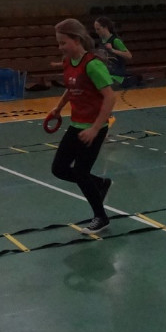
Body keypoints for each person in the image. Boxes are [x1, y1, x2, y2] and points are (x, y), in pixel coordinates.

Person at [47, 18, 116, 233]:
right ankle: (100, 184)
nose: (60, 47)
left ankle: (101, 217)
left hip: (94, 128)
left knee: (80, 171)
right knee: (59, 169)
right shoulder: (68, 62)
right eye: (59, 43)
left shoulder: (93, 65)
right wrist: (58, 108)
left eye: (63, 42)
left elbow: (110, 97)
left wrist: (95, 128)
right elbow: (70, 88)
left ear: (76, 40)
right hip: (76, 125)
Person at [93, 17, 140, 88]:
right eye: (96, 29)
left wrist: (113, 50)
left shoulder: (115, 40)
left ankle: (131, 80)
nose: (96, 32)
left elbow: (129, 56)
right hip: (107, 73)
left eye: (98, 29)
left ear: (105, 27)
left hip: (117, 75)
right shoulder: (101, 42)